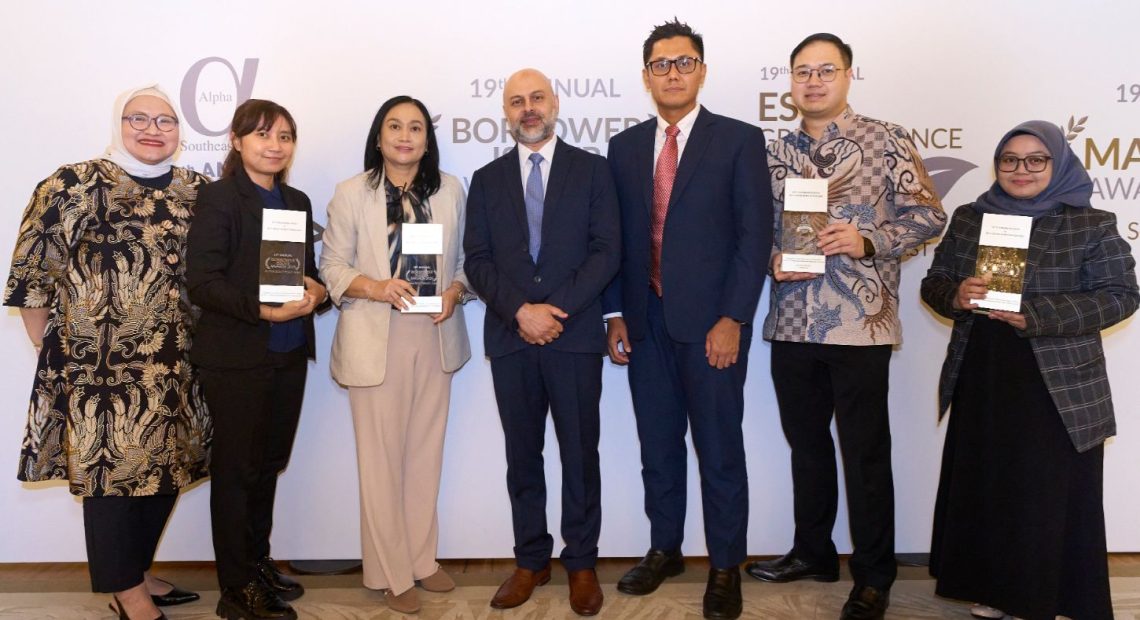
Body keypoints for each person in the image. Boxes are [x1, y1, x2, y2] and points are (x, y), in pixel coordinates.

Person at [748, 32, 946, 620]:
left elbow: (929, 215)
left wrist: (869, 239)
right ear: (789, 81)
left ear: (848, 75)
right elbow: (752, 229)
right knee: (806, 448)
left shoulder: (887, 138)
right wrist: (770, 258)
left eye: (825, 70)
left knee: (865, 456)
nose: (813, 82)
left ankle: (874, 575)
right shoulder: (772, 151)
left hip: (860, 326)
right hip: (792, 324)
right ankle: (813, 553)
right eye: (802, 72)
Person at [4, 85, 210, 620]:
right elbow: (32, 276)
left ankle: (134, 570)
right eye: (138, 118)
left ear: (180, 132)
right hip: (97, 369)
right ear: (118, 123)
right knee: (111, 475)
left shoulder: (198, 190)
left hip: (179, 363)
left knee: (168, 470)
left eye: (165, 121)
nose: (152, 130)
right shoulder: (72, 184)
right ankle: (127, 593)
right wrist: (51, 351)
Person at [923, 120, 1137, 620]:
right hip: (984, 370)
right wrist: (956, 294)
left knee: (1044, 491)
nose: (1021, 170)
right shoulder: (971, 217)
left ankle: (1040, 597)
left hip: (1058, 380)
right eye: (1010, 159)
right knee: (989, 485)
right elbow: (936, 281)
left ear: (1057, 164)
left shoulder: (1091, 223)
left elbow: (1121, 297)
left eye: (1036, 159)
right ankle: (994, 589)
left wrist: (1038, 314)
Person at [603, 19, 772, 620]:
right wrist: (616, 313)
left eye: (684, 62)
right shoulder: (624, 148)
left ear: (702, 70)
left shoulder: (739, 140)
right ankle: (665, 549)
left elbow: (755, 237)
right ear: (646, 76)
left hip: (710, 329)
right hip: (644, 324)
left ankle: (725, 566)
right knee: (658, 447)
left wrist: (733, 318)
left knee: (720, 450)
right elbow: (616, 240)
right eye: (661, 64)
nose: (672, 73)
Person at [463, 68, 620, 617]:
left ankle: (581, 563)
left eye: (536, 98)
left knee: (579, 454)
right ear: (505, 113)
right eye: (516, 101)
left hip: (573, 337)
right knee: (522, 456)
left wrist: (555, 310)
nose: (527, 108)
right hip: (512, 338)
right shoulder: (486, 179)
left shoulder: (593, 170)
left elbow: (607, 250)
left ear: (555, 103)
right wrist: (520, 312)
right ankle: (531, 560)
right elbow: (477, 260)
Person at [319, 95, 472, 615]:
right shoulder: (351, 193)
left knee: (425, 455)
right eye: (394, 126)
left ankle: (422, 559)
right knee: (381, 462)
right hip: (374, 336)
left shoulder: (450, 190)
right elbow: (331, 267)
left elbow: (468, 260)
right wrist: (376, 286)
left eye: (415, 128)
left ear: (427, 140)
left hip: (434, 335)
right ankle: (389, 572)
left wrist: (455, 291)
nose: (405, 136)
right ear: (379, 137)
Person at [186, 99, 328, 620]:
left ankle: (257, 563)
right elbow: (202, 283)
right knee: (236, 473)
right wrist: (263, 311)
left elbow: (308, 272)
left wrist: (318, 292)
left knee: (267, 466)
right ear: (237, 140)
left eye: (285, 136)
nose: (275, 145)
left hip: (287, 354)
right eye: (264, 134)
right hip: (237, 357)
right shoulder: (220, 198)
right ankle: (236, 589)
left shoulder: (296, 200)